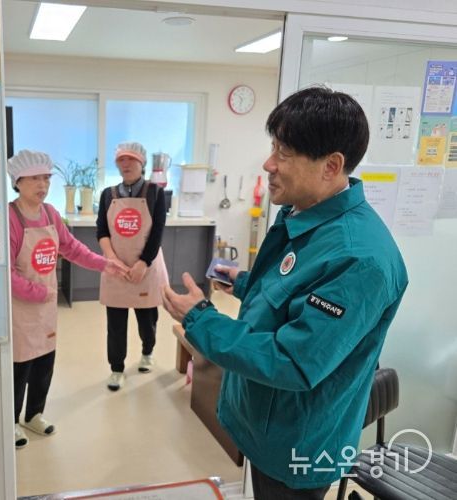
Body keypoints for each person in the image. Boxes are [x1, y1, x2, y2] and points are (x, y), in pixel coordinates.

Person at [162, 87, 408, 499]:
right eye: (273, 146)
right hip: (265, 422)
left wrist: (200, 318)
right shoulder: (304, 214)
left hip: (298, 445)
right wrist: (243, 283)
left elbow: (293, 360)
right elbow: (294, 296)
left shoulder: (361, 259)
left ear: (331, 166)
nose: (269, 163)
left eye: (285, 153)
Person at [8, 150, 127, 449]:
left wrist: (103, 264)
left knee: (44, 361)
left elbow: (72, 248)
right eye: (35, 178)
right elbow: (6, 274)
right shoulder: (10, 218)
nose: (42, 184)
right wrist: (37, 292)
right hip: (21, 307)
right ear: (17, 181)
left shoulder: (50, 213)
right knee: (20, 366)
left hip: (45, 306)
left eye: (46, 178)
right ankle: (11, 421)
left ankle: (34, 414)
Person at [97, 142, 169, 391]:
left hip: (145, 267)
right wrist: (112, 258)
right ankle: (116, 368)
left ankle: (148, 352)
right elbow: (102, 231)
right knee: (115, 324)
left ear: (142, 163)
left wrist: (143, 263)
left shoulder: (155, 193)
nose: (125, 164)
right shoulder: (108, 194)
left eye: (131, 159)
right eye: (121, 160)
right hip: (116, 267)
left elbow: (157, 232)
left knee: (147, 319)